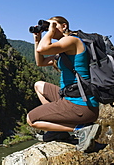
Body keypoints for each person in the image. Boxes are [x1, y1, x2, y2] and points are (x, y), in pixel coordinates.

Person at [27, 16, 101, 152]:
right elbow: (40, 62)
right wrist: (37, 40)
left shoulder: (72, 41)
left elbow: (43, 49)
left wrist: (49, 31)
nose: (51, 29)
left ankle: (81, 129)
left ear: (64, 26)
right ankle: (58, 130)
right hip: (70, 98)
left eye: (53, 25)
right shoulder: (63, 49)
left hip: (82, 106)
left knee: (31, 120)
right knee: (38, 85)